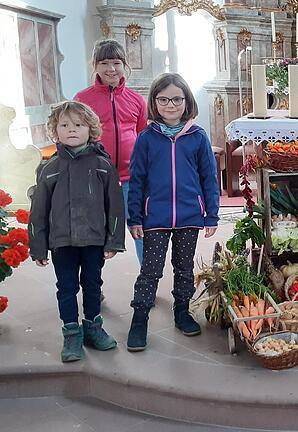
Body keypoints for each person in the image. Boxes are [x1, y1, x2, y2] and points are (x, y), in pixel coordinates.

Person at [126, 73, 220, 352]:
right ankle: (139, 319)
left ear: (186, 101)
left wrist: (211, 214)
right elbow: (136, 180)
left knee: (184, 267)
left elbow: (209, 178)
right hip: (155, 217)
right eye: (163, 99)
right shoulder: (146, 138)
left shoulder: (198, 136)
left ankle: (182, 311)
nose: (170, 104)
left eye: (176, 99)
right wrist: (134, 218)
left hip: (189, 216)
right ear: (155, 102)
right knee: (151, 270)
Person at [28, 101, 125, 362]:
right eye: (65, 125)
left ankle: (93, 329)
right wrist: (37, 245)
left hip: (94, 240)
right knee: (66, 287)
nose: (72, 130)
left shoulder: (103, 165)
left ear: (90, 129)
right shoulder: (49, 169)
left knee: (93, 285)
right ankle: (72, 334)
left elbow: (115, 206)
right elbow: (38, 211)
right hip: (62, 242)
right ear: (55, 131)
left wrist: (113, 241)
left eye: (79, 125)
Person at [75, 39, 147, 264]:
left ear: (125, 65)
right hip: (96, 177)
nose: (111, 69)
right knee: (95, 232)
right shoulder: (82, 99)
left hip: (131, 178)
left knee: (140, 227)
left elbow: (142, 135)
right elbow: (76, 137)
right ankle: (93, 282)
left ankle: (148, 277)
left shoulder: (136, 99)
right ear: (95, 66)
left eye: (116, 62)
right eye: (104, 63)